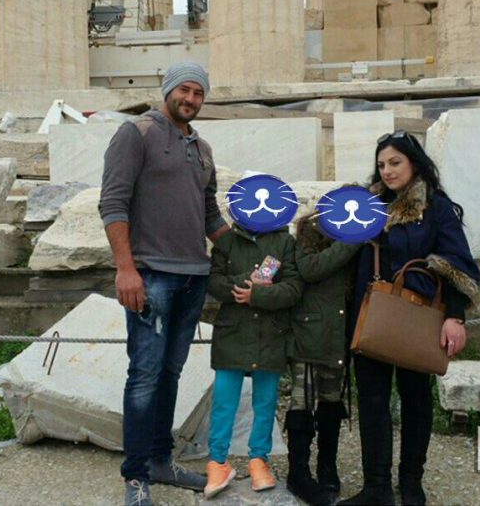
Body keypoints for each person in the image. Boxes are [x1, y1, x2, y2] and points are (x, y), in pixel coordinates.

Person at [99, 61, 229, 506]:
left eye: (198, 93)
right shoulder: (136, 134)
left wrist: (248, 251)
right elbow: (112, 203)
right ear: (168, 90)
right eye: (185, 90)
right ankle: (135, 475)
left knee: (170, 374)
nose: (190, 99)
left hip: (194, 277)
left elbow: (210, 215)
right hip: (149, 275)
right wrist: (125, 269)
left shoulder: (203, 147)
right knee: (145, 376)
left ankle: (159, 460)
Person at [338, 130, 480, 506]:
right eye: (382, 164)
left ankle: (411, 482)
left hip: (418, 318)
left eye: (395, 162)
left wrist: (455, 317)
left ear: (414, 162)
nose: (387, 171)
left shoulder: (435, 208)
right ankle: (376, 487)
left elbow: (456, 264)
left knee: (416, 399)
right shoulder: (365, 206)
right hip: (370, 315)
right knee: (371, 400)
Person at [204, 218, 303, 499]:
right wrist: (247, 282)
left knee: (265, 401)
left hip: (270, 334)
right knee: (224, 399)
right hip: (232, 333)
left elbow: (294, 288)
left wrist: (259, 295)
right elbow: (214, 282)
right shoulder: (226, 242)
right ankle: (217, 461)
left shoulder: (285, 243)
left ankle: (259, 459)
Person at [285, 213, 361, 506]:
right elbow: (310, 268)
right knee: (301, 401)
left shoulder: (367, 236)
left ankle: (327, 467)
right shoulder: (310, 230)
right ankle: (298, 472)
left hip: (339, 334)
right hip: (310, 330)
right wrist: (351, 241)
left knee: (331, 401)